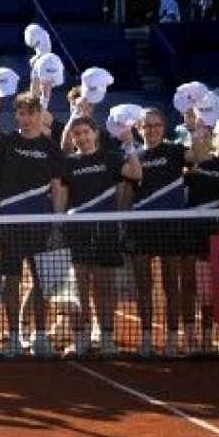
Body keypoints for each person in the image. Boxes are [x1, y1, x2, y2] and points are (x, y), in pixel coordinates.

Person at [0, 90, 66, 357]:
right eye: (20, 114)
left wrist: (56, 223)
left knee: (42, 283)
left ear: (39, 115)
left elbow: (57, 188)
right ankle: (14, 336)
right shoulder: (8, 142)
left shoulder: (50, 147)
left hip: (41, 224)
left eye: (29, 113)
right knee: (10, 282)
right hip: (10, 223)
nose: (24, 118)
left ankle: (41, 336)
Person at [121, 108, 201, 357]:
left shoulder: (175, 151)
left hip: (170, 228)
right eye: (147, 125)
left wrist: (194, 127)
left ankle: (172, 338)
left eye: (157, 125)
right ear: (139, 128)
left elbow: (200, 154)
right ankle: (146, 339)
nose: (152, 129)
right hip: (141, 228)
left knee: (171, 285)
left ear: (163, 128)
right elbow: (126, 193)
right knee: (143, 286)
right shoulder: (133, 156)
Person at [61, 114, 130, 356]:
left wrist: (129, 142)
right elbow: (62, 196)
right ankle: (81, 337)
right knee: (78, 288)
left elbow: (135, 174)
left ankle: (106, 336)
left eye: (85, 132)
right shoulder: (69, 163)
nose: (82, 137)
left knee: (105, 287)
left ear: (95, 133)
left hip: (106, 231)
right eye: (76, 133)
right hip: (77, 232)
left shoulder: (111, 159)